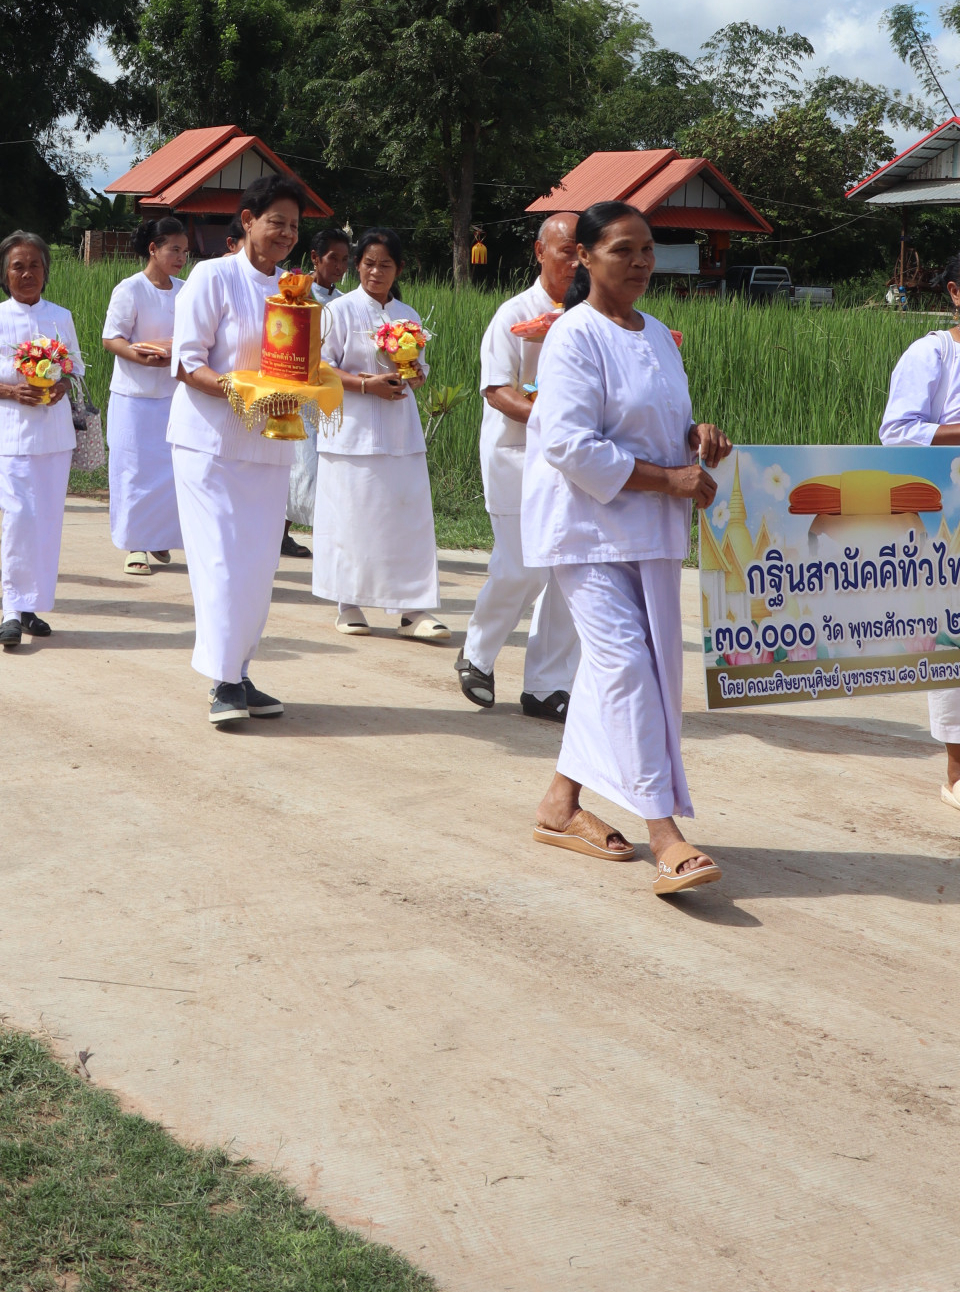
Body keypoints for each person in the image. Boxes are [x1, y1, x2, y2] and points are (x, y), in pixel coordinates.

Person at [523, 200, 728, 896]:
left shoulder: (657, 338)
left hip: (649, 531)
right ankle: (663, 831)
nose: (640, 262)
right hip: (587, 530)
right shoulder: (573, 335)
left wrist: (697, 438)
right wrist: (670, 477)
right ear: (583, 257)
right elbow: (569, 443)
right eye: (622, 250)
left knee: (624, 670)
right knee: (630, 668)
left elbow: (662, 424)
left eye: (647, 249)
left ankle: (559, 804)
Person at [169, 172, 305, 728]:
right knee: (221, 562)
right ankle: (223, 680)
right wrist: (240, 392)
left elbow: (298, 364)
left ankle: (241, 671)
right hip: (211, 444)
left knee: (255, 567)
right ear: (247, 221)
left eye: (295, 227)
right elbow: (187, 362)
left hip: (269, 447)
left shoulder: (294, 291)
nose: (286, 234)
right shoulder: (212, 276)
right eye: (276, 222)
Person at [458, 212, 583, 720]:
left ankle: (546, 685)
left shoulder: (591, 315)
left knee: (567, 572)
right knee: (523, 567)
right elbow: (496, 390)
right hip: (517, 458)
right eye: (565, 250)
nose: (575, 260)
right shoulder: (514, 313)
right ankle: (477, 653)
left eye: (583, 251)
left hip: (573, 463)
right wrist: (552, 420)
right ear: (539, 252)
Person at [312, 227, 450, 640]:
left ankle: (413, 610)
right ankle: (347, 603)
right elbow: (318, 368)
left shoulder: (409, 315)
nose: (376, 272)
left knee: (407, 519)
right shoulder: (338, 311)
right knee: (350, 518)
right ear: (358, 266)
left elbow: (418, 366)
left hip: (400, 429)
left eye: (385, 265)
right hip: (351, 431)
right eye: (369, 263)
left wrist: (417, 374)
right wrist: (364, 385)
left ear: (399, 269)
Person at [0, 230, 82, 648]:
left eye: (35, 265)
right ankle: (11, 610)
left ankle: (32, 605)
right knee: (18, 518)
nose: (27, 273)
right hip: (10, 435)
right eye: (18, 266)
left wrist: (58, 388)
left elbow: (74, 371)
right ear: (4, 272)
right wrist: (13, 391)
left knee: (47, 522)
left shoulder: (60, 316)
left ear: (46, 271)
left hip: (54, 436)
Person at [878, 251, 960, 809]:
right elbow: (898, 432)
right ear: (955, 292)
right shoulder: (934, 353)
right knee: (953, 638)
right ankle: (956, 770)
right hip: (949, 518)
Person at [102, 214, 188, 575]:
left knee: (170, 470)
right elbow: (112, 338)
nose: (181, 257)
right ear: (153, 249)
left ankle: (159, 537)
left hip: (174, 393)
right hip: (134, 395)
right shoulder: (131, 288)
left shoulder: (186, 290)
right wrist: (141, 355)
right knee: (134, 469)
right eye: (174, 249)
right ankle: (135, 544)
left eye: (185, 250)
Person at [283, 223, 351, 557]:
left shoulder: (344, 301)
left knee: (321, 464)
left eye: (344, 261)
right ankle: (280, 531)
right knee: (300, 463)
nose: (338, 267)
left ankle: (320, 535)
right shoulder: (296, 291)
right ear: (315, 257)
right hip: (297, 387)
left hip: (328, 390)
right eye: (332, 259)